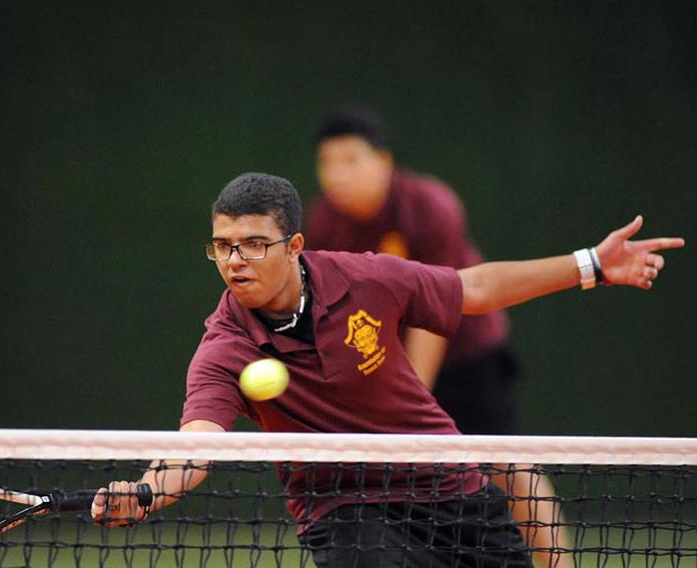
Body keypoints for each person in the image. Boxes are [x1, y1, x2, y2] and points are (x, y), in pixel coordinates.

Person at [91, 172, 683, 568]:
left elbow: (472, 287)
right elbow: (198, 445)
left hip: (448, 487)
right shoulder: (225, 347)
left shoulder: (366, 279)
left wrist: (591, 265)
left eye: (253, 244)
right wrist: (145, 490)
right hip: (345, 512)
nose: (234, 261)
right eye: (222, 246)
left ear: (295, 245)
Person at [304, 106, 568, 567]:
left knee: (510, 465)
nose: (336, 175)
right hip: (385, 363)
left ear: (383, 162)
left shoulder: (430, 207)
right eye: (326, 163)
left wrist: (405, 401)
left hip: (468, 354)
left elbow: (435, 314)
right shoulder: (323, 224)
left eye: (350, 160)